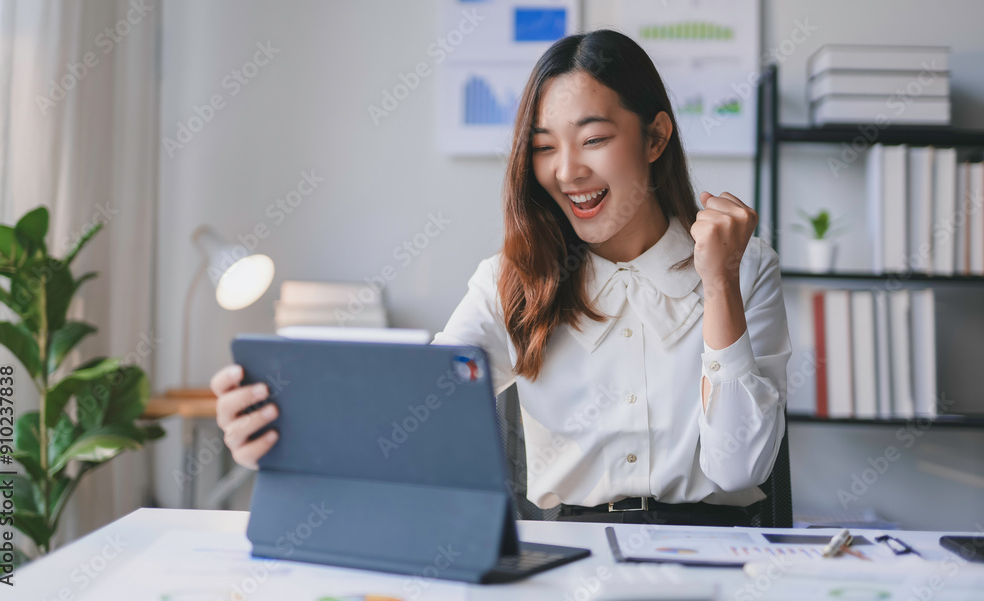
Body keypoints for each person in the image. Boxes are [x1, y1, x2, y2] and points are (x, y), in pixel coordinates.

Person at [210, 29, 792, 527]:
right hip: (573, 556)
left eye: (593, 139)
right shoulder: (511, 281)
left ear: (656, 137)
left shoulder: (748, 265)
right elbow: (413, 414)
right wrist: (286, 430)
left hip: (717, 554)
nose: (567, 171)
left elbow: (739, 467)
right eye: (544, 148)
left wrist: (718, 284)